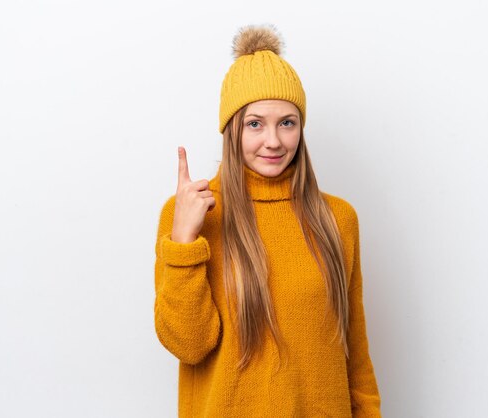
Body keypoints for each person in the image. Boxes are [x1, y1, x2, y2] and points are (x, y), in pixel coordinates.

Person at [154, 24, 381, 417]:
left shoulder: (338, 219)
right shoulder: (192, 213)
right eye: (255, 123)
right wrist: (184, 243)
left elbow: (354, 353)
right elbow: (189, 345)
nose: (273, 141)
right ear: (231, 129)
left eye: (287, 122)